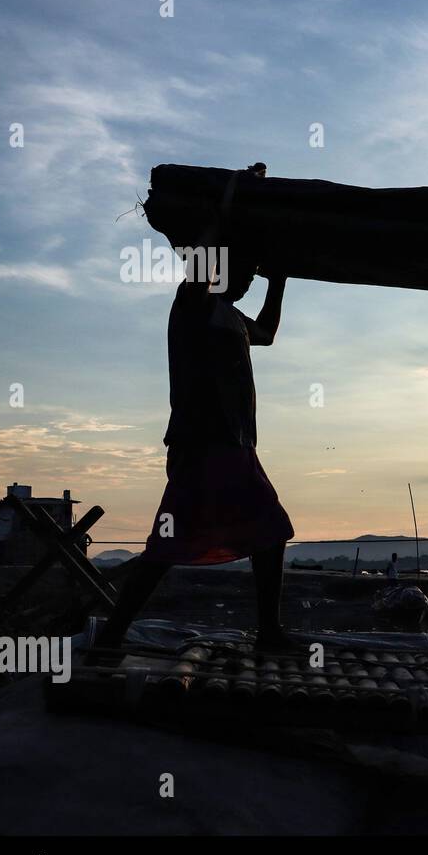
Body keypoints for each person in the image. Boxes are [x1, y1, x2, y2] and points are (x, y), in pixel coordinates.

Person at [92, 244, 294, 655]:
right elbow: (204, 258)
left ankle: (114, 632)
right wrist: (225, 211)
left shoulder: (231, 317)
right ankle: (268, 631)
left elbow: (267, 335)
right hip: (204, 443)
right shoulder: (193, 302)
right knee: (247, 533)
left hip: (232, 445)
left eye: (253, 276)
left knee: (255, 534)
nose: (247, 281)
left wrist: (279, 280)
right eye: (245, 273)